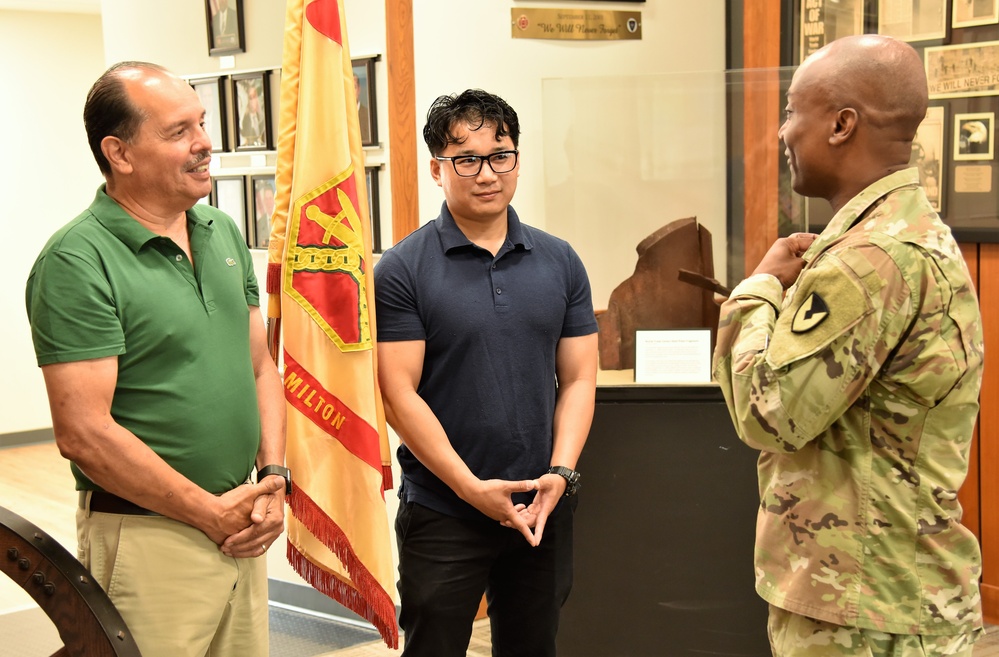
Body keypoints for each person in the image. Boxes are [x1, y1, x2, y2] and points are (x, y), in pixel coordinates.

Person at [712, 35, 985, 656]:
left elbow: (766, 413)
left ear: (841, 124)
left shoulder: (866, 262)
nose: (783, 133)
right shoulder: (906, 232)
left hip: (864, 608)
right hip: (886, 590)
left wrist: (756, 293)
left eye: (791, 112)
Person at [25, 61, 288, 657]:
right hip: (147, 537)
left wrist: (273, 477)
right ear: (119, 152)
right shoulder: (76, 262)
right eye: (177, 132)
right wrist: (207, 513)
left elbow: (259, 368)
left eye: (201, 123)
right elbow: (84, 433)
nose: (203, 144)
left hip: (239, 523)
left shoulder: (220, 231)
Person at [374, 89, 598, 657]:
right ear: (436, 169)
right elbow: (398, 395)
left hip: (540, 504)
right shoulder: (403, 268)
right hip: (445, 506)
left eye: (501, 155)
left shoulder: (561, 261)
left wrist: (561, 474)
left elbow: (577, 379)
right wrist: (471, 489)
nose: (487, 173)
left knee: (533, 646)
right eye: (466, 159)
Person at [240, 82, 266, 147]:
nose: (253, 101)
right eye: (250, 98)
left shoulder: (262, 119)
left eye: (254, 97)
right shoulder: (244, 122)